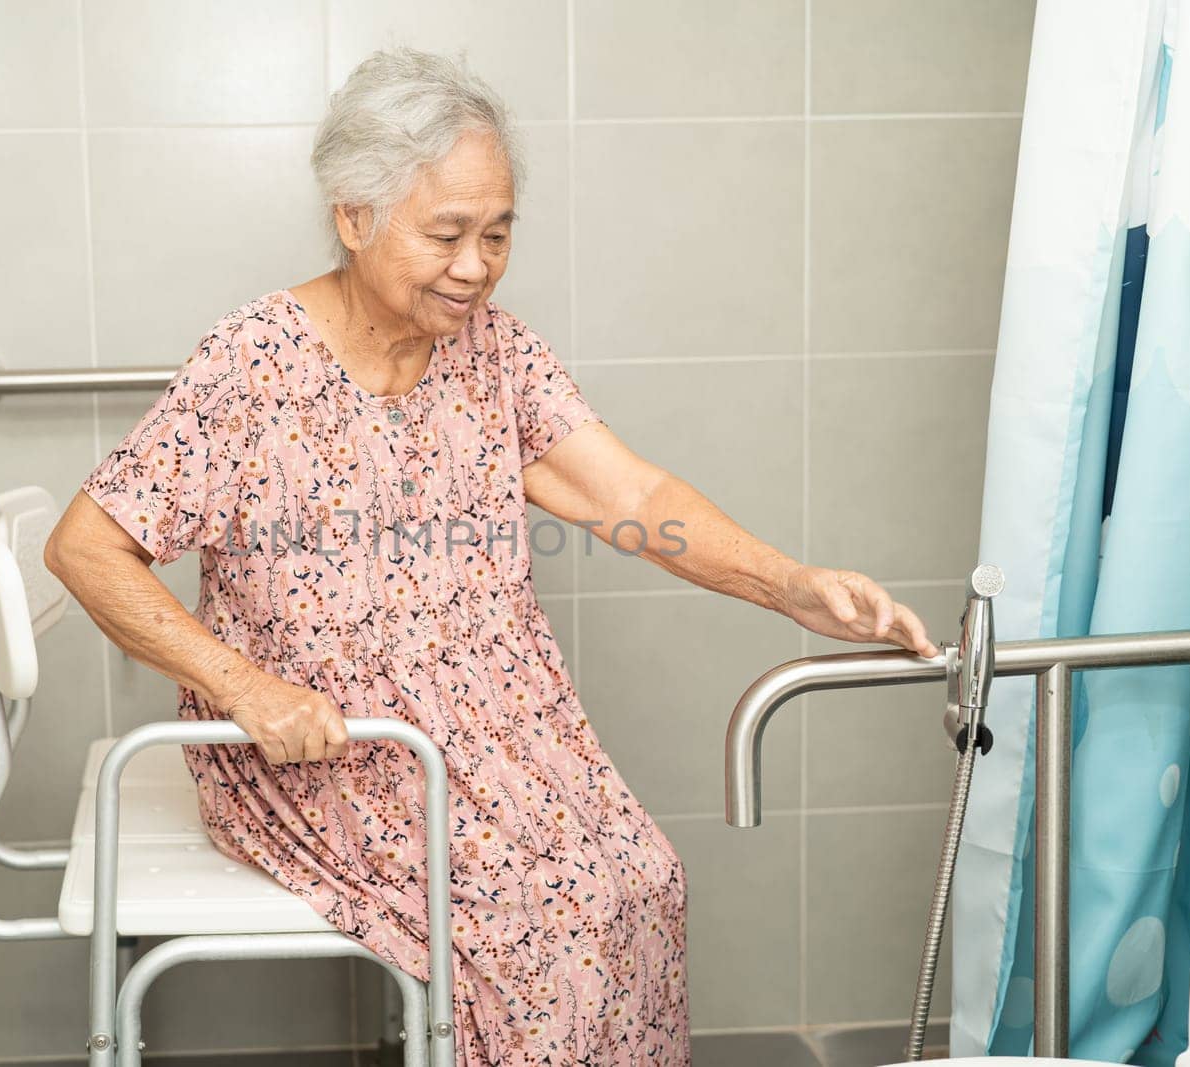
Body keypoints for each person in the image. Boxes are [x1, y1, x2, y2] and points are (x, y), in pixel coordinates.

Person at [45, 46, 938, 1067]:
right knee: (537, 921)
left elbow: (632, 494)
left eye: (498, 233)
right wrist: (245, 687)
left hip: (499, 729)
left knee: (641, 879)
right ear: (353, 218)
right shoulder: (253, 363)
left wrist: (791, 585)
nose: (476, 265)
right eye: (446, 234)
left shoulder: (496, 351)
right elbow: (86, 544)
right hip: (330, 744)